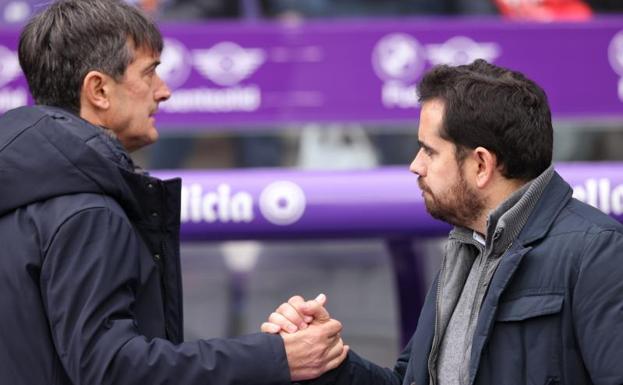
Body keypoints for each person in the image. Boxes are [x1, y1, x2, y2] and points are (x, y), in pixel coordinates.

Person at [0, 1, 347, 384]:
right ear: (98, 89)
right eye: (149, 73)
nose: (163, 92)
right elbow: (110, 368)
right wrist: (276, 358)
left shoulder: (28, 185)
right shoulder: (85, 208)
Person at [262, 59, 623, 385]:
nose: (415, 165)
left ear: (481, 165)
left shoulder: (597, 252)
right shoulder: (467, 248)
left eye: (430, 151)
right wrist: (330, 360)